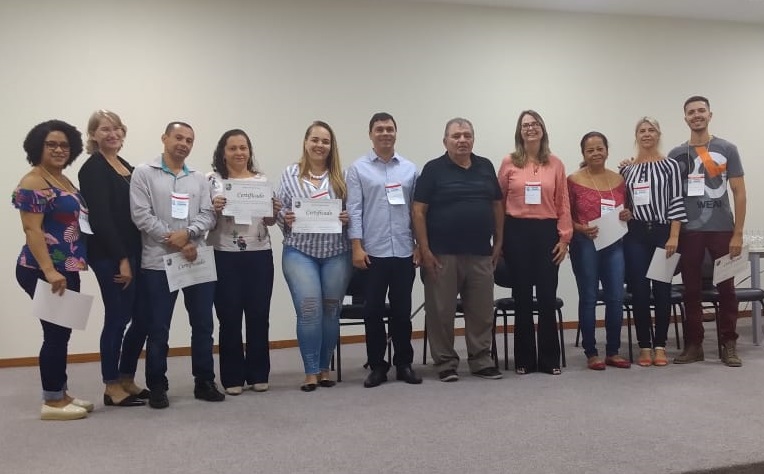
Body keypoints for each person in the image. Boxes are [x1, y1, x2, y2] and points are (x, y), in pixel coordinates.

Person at [129, 121, 225, 408]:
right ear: (164, 138)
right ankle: (157, 384)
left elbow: (209, 215)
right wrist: (179, 241)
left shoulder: (198, 178)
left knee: (203, 325)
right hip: (158, 263)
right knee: (158, 327)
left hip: (196, 260)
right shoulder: (144, 173)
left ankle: (204, 381)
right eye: (178, 137)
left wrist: (191, 234)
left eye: (189, 140)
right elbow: (141, 216)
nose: (183, 144)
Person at [412, 117, 503, 382]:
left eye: (467, 135)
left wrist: (498, 242)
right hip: (442, 254)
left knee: (481, 310)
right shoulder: (433, 169)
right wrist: (424, 248)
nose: (462, 140)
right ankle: (445, 363)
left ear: (473, 139)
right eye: (456, 136)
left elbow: (497, 205)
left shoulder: (485, 166)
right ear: (445, 141)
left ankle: (481, 359)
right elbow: (418, 211)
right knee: (441, 311)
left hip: (480, 253)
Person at [13, 119, 93, 420]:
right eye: (51, 144)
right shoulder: (34, 181)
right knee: (55, 335)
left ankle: (60, 392)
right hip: (42, 269)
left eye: (64, 145)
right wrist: (49, 271)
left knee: (62, 333)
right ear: (38, 147)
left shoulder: (62, 179)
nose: (59, 149)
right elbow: (31, 230)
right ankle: (52, 401)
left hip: (66, 267)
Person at [669, 96, 747, 367]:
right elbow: (672, 195)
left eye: (701, 110)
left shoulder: (727, 148)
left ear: (710, 115)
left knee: (727, 289)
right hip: (690, 231)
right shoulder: (676, 154)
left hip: (722, 230)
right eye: (691, 112)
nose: (696, 115)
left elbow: (739, 192)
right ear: (685, 118)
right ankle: (694, 345)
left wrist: (738, 233)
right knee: (691, 291)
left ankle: (728, 343)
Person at [78, 110, 148, 407]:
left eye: (117, 128)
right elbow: (102, 219)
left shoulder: (125, 166)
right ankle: (111, 386)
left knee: (143, 317)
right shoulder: (92, 168)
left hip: (136, 251)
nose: (113, 134)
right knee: (118, 318)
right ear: (93, 135)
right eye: (105, 129)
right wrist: (122, 259)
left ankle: (127, 377)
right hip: (111, 255)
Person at [346, 112, 422, 388]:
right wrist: (356, 246)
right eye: (379, 129)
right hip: (373, 252)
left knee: (402, 311)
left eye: (390, 129)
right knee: (373, 312)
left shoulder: (410, 169)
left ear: (396, 133)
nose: (385, 133)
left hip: (403, 250)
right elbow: (353, 209)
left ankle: (404, 363)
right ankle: (377, 365)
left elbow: (417, 211)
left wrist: (418, 245)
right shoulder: (358, 169)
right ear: (370, 134)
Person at [276, 120, 352, 392]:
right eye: (315, 140)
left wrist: (347, 218)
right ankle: (309, 371)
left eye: (325, 141)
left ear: (332, 147)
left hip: (336, 254)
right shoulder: (289, 174)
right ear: (306, 142)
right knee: (309, 310)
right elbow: (277, 212)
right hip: (300, 252)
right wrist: (286, 215)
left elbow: (354, 215)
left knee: (331, 311)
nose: (320, 145)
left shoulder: (342, 178)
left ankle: (324, 368)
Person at [498, 110, 571, 375]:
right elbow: (499, 203)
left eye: (535, 123)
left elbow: (563, 202)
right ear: (519, 131)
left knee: (547, 298)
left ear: (543, 129)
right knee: (522, 299)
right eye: (525, 125)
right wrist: (500, 240)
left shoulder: (556, 163)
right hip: (516, 232)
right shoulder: (509, 162)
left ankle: (550, 359)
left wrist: (565, 238)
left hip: (546, 234)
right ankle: (525, 360)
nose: (530, 128)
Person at [208, 129, 279, 395]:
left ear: (249, 151)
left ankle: (259, 373)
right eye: (232, 148)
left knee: (259, 315)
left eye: (243, 147)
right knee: (229, 316)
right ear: (223, 152)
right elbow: (204, 220)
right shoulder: (211, 180)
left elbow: (269, 221)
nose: (239, 152)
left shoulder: (261, 181)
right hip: (223, 253)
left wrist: (273, 211)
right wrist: (213, 207)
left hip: (259, 253)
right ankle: (232, 377)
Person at [620, 117, 686, 367]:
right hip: (635, 234)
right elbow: (623, 204)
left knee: (661, 291)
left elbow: (677, 201)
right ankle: (644, 346)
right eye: (642, 130)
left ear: (659, 134)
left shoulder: (671, 166)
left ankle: (660, 346)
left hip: (662, 233)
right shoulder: (627, 169)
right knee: (638, 291)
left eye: (651, 130)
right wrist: (624, 212)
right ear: (636, 136)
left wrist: (674, 235)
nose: (646, 134)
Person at [567, 131, 631, 370]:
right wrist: (580, 229)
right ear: (583, 153)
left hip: (614, 243)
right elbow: (564, 216)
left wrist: (628, 214)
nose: (595, 153)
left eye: (599, 148)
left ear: (607, 150)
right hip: (585, 244)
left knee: (616, 297)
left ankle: (613, 351)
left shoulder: (619, 179)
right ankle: (591, 351)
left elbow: (627, 211)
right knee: (590, 298)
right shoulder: (572, 180)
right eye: (590, 150)